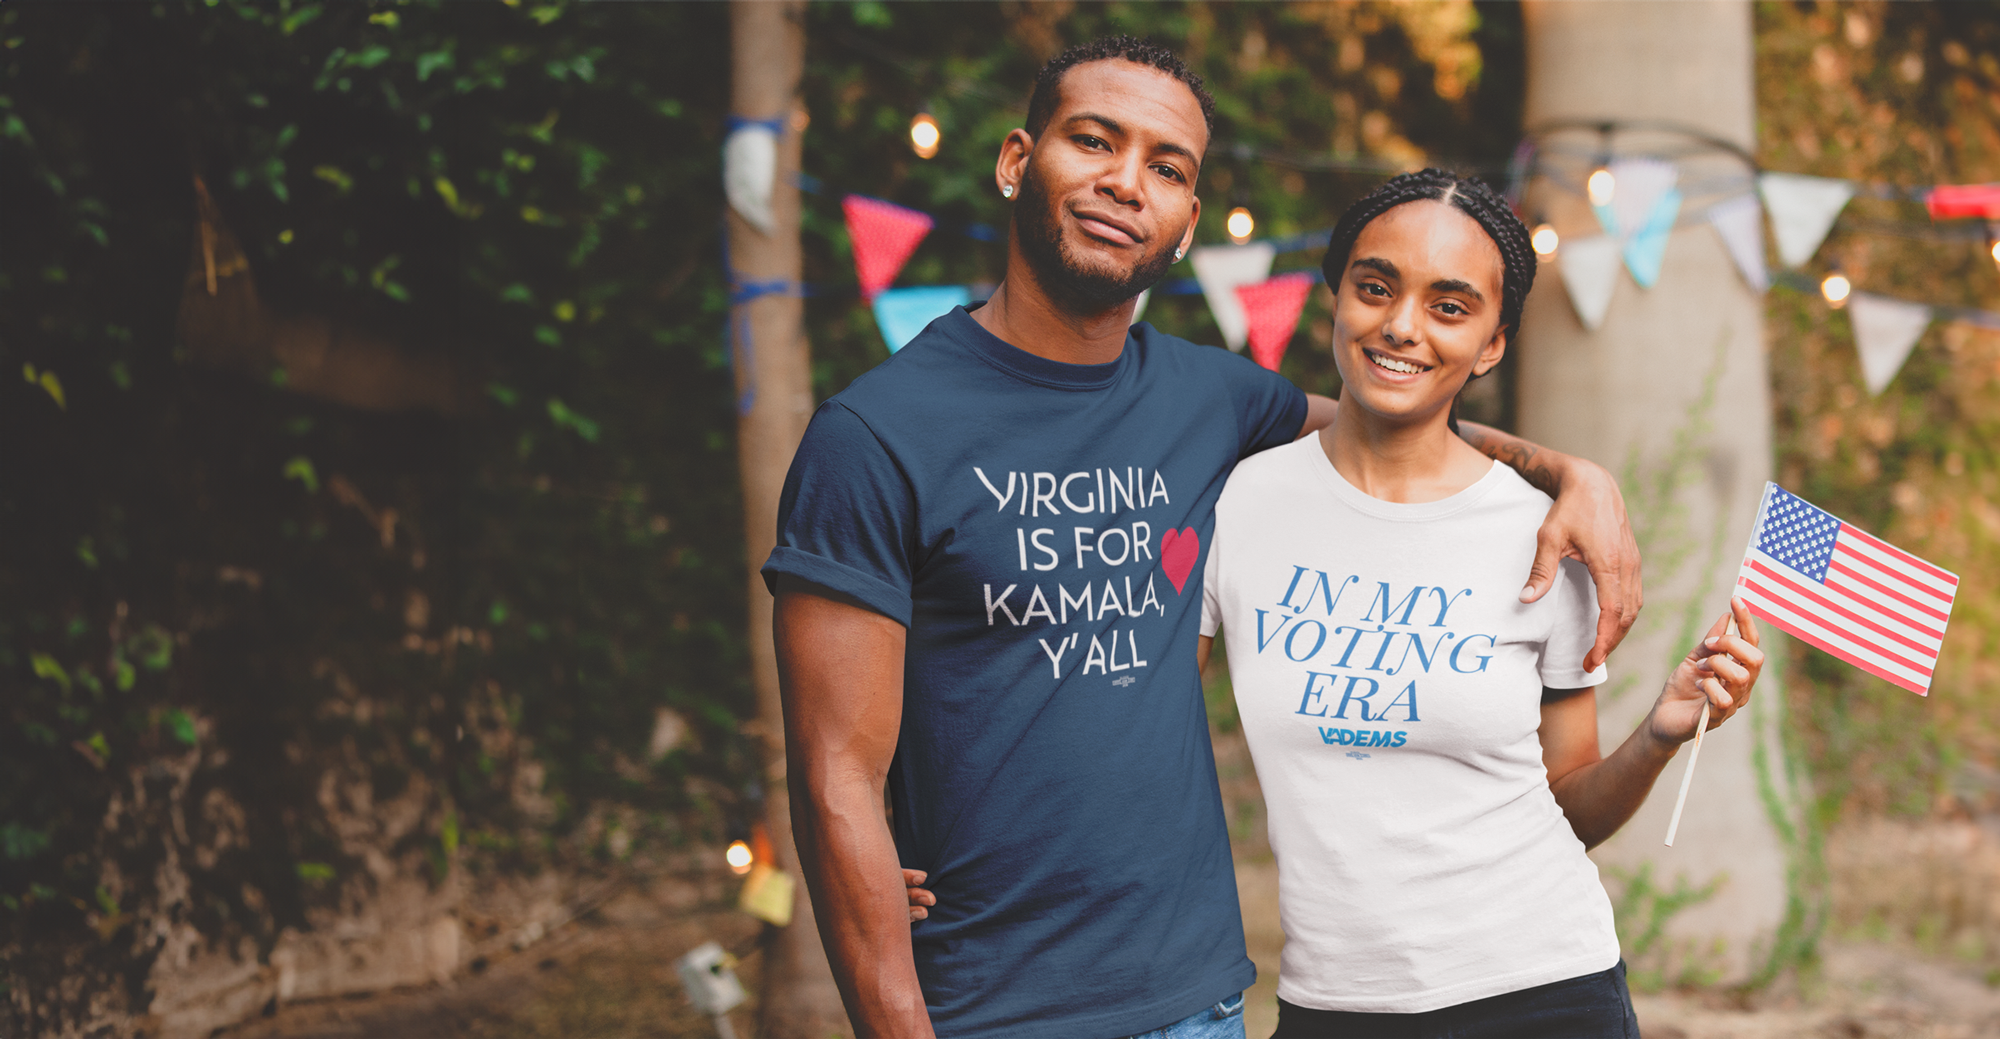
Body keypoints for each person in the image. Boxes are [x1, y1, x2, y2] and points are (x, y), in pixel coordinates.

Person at [764, 37, 1640, 1039]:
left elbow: (1399, 420)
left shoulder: (1209, 398)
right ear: (1017, 161)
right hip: (986, 1009)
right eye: (1093, 141)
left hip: (1197, 1002)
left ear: (1185, 220)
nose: (1124, 183)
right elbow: (834, 775)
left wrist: (1572, 475)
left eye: (1166, 168)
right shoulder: (876, 436)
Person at [1196, 170, 1765, 1038]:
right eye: (1376, 287)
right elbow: (1144, 731)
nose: (1401, 325)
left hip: (1544, 990)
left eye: (1449, 306)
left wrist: (1657, 734)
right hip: (1332, 1002)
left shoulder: (1545, 532)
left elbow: (1569, 802)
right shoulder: (1239, 503)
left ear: (1493, 343)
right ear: (1336, 298)